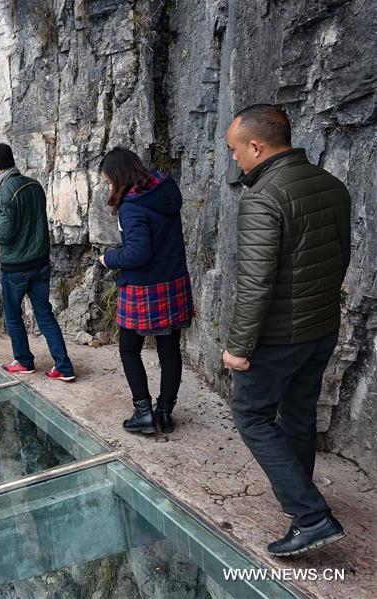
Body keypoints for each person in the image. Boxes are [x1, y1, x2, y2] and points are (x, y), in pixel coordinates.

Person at [223, 104, 351, 556]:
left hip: (279, 335)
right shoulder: (331, 185)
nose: (235, 160)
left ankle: (311, 516)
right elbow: (341, 257)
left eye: (235, 151)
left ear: (256, 146)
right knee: (298, 413)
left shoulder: (263, 197)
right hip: (321, 326)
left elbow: (256, 282)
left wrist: (238, 348)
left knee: (252, 416)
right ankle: (300, 497)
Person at [98, 148, 194, 434]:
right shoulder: (163, 190)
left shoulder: (133, 205)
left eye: (108, 181)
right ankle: (164, 413)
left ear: (119, 176)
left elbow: (137, 253)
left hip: (144, 288)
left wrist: (109, 259)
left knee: (129, 349)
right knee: (169, 351)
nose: (109, 187)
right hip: (173, 282)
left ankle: (144, 413)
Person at [0, 142, 75, 381]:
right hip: (40, 262)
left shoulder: (3, 193)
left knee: (13, 316)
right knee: (45, 314)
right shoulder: (34, 185)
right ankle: (63, 367)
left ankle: (23, 361)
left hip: (16, 267)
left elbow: (5, 234)